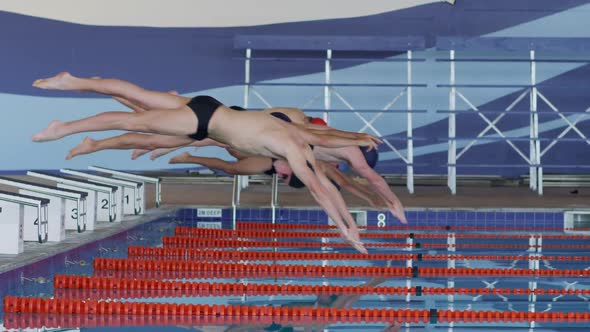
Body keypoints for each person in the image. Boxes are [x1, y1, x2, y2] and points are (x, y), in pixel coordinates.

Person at [32, 72, 382, 253]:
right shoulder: (292, 150)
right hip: (204, 124)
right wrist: (346, 226)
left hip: (209, 109)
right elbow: (325, 188)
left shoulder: (296, 132)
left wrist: (350, 220)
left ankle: (75, 83)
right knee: (135, 121)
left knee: (136, 103)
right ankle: (67, 127)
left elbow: (331, 163)